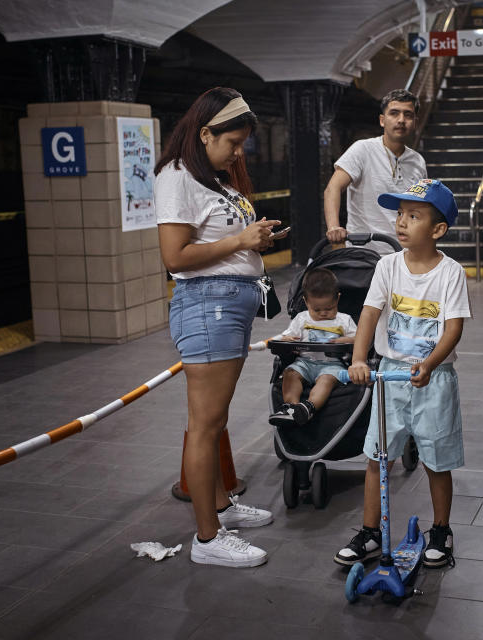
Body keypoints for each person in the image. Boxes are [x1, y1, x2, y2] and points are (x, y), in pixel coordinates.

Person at [155, 87, 289, 568]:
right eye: (232, 143)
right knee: (205, 425)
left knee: (213, 422)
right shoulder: (178, 176)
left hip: (227, 306)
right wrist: (241, 240)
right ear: (204, 132)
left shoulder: (212, 179)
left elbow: (219, 242)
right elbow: (176, 257)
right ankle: (207, 540)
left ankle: (218, 507)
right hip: (207, 306)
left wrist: (254, 241)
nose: (238, 153)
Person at [334, 178, 472, 569]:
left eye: (414, 215)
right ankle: (370, 532)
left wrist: (429, 364)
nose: (402, 222)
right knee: (378, 458)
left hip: (434, 379)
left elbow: (454, 328)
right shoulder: (387, 265)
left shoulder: (451, 273)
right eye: (400, 214)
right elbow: (370, 314)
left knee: (435, 459)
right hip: (391, 376)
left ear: (438, 230)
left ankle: (441, 531)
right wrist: (359, 359)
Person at [323, 89, 428, 255]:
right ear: (382, 120)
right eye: (394, 113)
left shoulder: (418, 161)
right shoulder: (362, 149)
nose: (401, 120)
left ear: (415, 122)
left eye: (408, 115)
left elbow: (419, 208)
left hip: (405, 255)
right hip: (365, 254)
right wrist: (334, 227)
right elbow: (332, 188)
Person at [268, 268, 357, 427]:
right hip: (305, 363)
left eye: (328, 308)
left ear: (337, 299)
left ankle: (309, 407)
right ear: (306, 301)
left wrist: (346, 339)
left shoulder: (344, 320)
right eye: (316, 309)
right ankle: (291, 408)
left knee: (327, 380)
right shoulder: (301, 319)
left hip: (332, 365)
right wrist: (288, 340)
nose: (323, 313)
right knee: (290, 373)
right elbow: (287, 336)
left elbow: (359, 338)